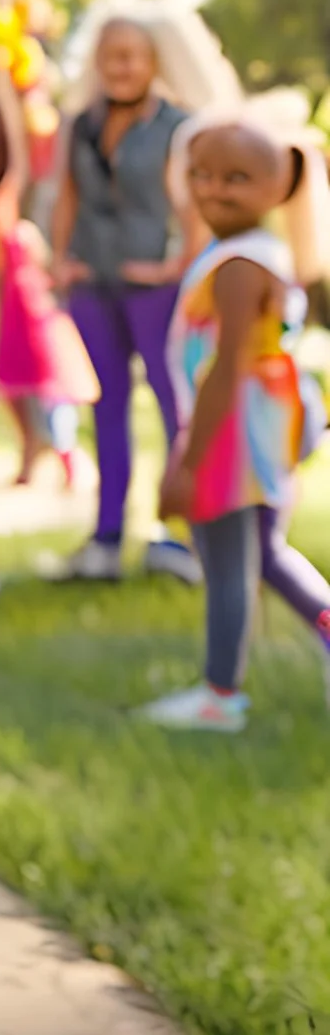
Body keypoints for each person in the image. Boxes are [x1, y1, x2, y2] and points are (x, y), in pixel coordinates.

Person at [143, 100, 330, 730]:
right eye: (201, 174)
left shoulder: (240, 264)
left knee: (226, 560)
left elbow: (226, 370)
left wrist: (187, 460)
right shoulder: (250, 251)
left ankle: (220, 697)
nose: (213, 189)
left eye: (236, 178)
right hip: (257, 427)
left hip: (235, 432)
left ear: (278, 187)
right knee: (262, 551)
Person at [48, 0, 242, 582]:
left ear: (153, 60)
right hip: (94, 285)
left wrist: (178, 266)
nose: (119, 66)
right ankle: (107, 539)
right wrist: (62, 260)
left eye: (130, 55)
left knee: (172, 407)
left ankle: (179, 537)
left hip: (154, 290)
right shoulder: (81, 123)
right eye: (110, 55)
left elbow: (194, 206)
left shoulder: (178, 126)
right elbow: (68, 195)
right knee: (105, 409)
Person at [0, 57, 98, 487]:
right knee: (13, 379)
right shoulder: (6, 193)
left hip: (42, 292)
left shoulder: (56, 160)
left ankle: (65, 454)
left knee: (52, 380)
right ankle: (32, 450)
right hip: (13, 292)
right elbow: (13, 135)